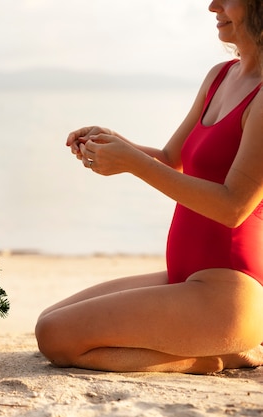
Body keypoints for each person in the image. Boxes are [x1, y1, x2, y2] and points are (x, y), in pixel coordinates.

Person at [35, 0, 263, 374]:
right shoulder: (220, 76)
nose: (212, 6)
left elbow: (233, 207)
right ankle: (220, 350)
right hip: (185, 276)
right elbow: (172, 158)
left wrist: (133, 164)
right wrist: (116, 144)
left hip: (230, 292)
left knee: (55, 335)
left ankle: (210, 358)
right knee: (53, 317)